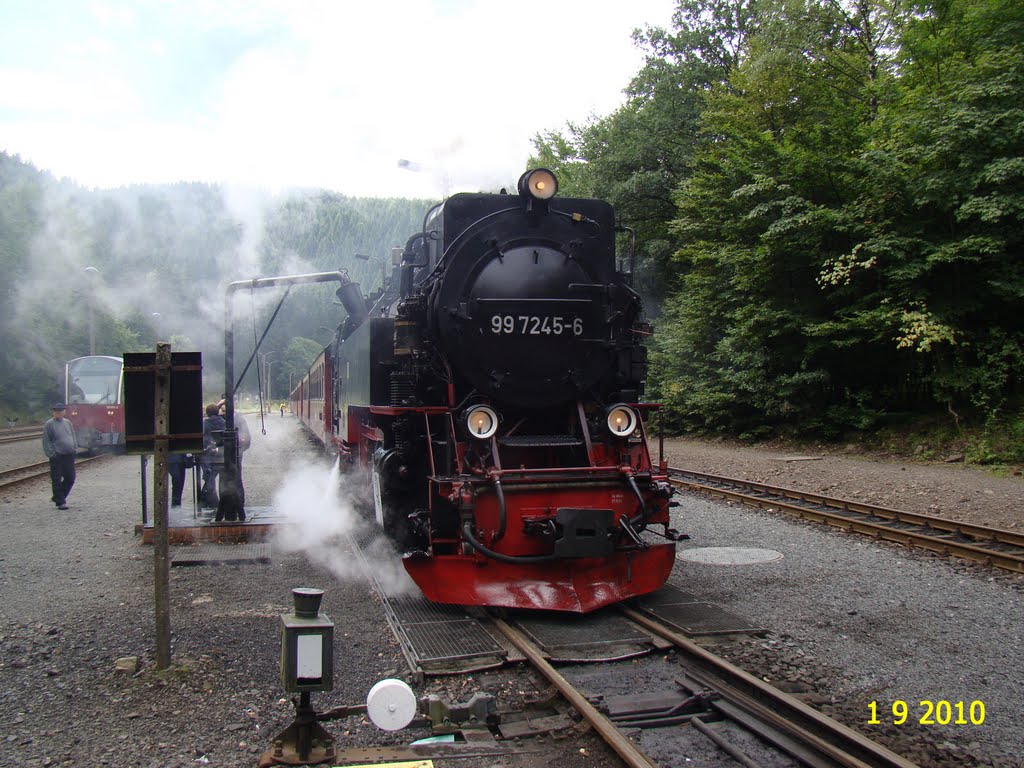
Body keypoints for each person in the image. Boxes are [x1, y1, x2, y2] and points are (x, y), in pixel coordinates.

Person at [42, 402, 77, 510]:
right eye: (56, 411)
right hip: (57, 455)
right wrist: (52, 454)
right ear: (53, 412)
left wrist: (75, 447)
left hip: (69, 454)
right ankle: (61, 502)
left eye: (61, 411)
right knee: (56, 478)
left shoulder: (67, 422)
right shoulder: (49, 424)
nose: (58, 413)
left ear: (64, 412)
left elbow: (72, 435)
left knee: (71, 477)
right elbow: (46, 441)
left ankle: (57, 496)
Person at [199, 403, 225, 509]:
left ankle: (212, 502)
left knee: (209, 479)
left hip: (207, 455)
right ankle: (208, 500)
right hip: (220, 455)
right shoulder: (224, 423)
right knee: (214, 478)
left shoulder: (204, 424)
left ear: (207, 413)